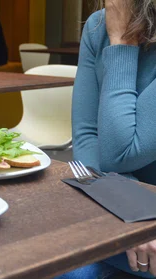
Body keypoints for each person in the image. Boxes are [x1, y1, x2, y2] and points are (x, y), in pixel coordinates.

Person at [57, 0, 156, 278]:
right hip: (114, 202)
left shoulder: (113, 28)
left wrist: (122, 42)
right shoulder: (100, 23)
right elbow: (87, 137)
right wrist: (128, 207)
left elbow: (122, 152)